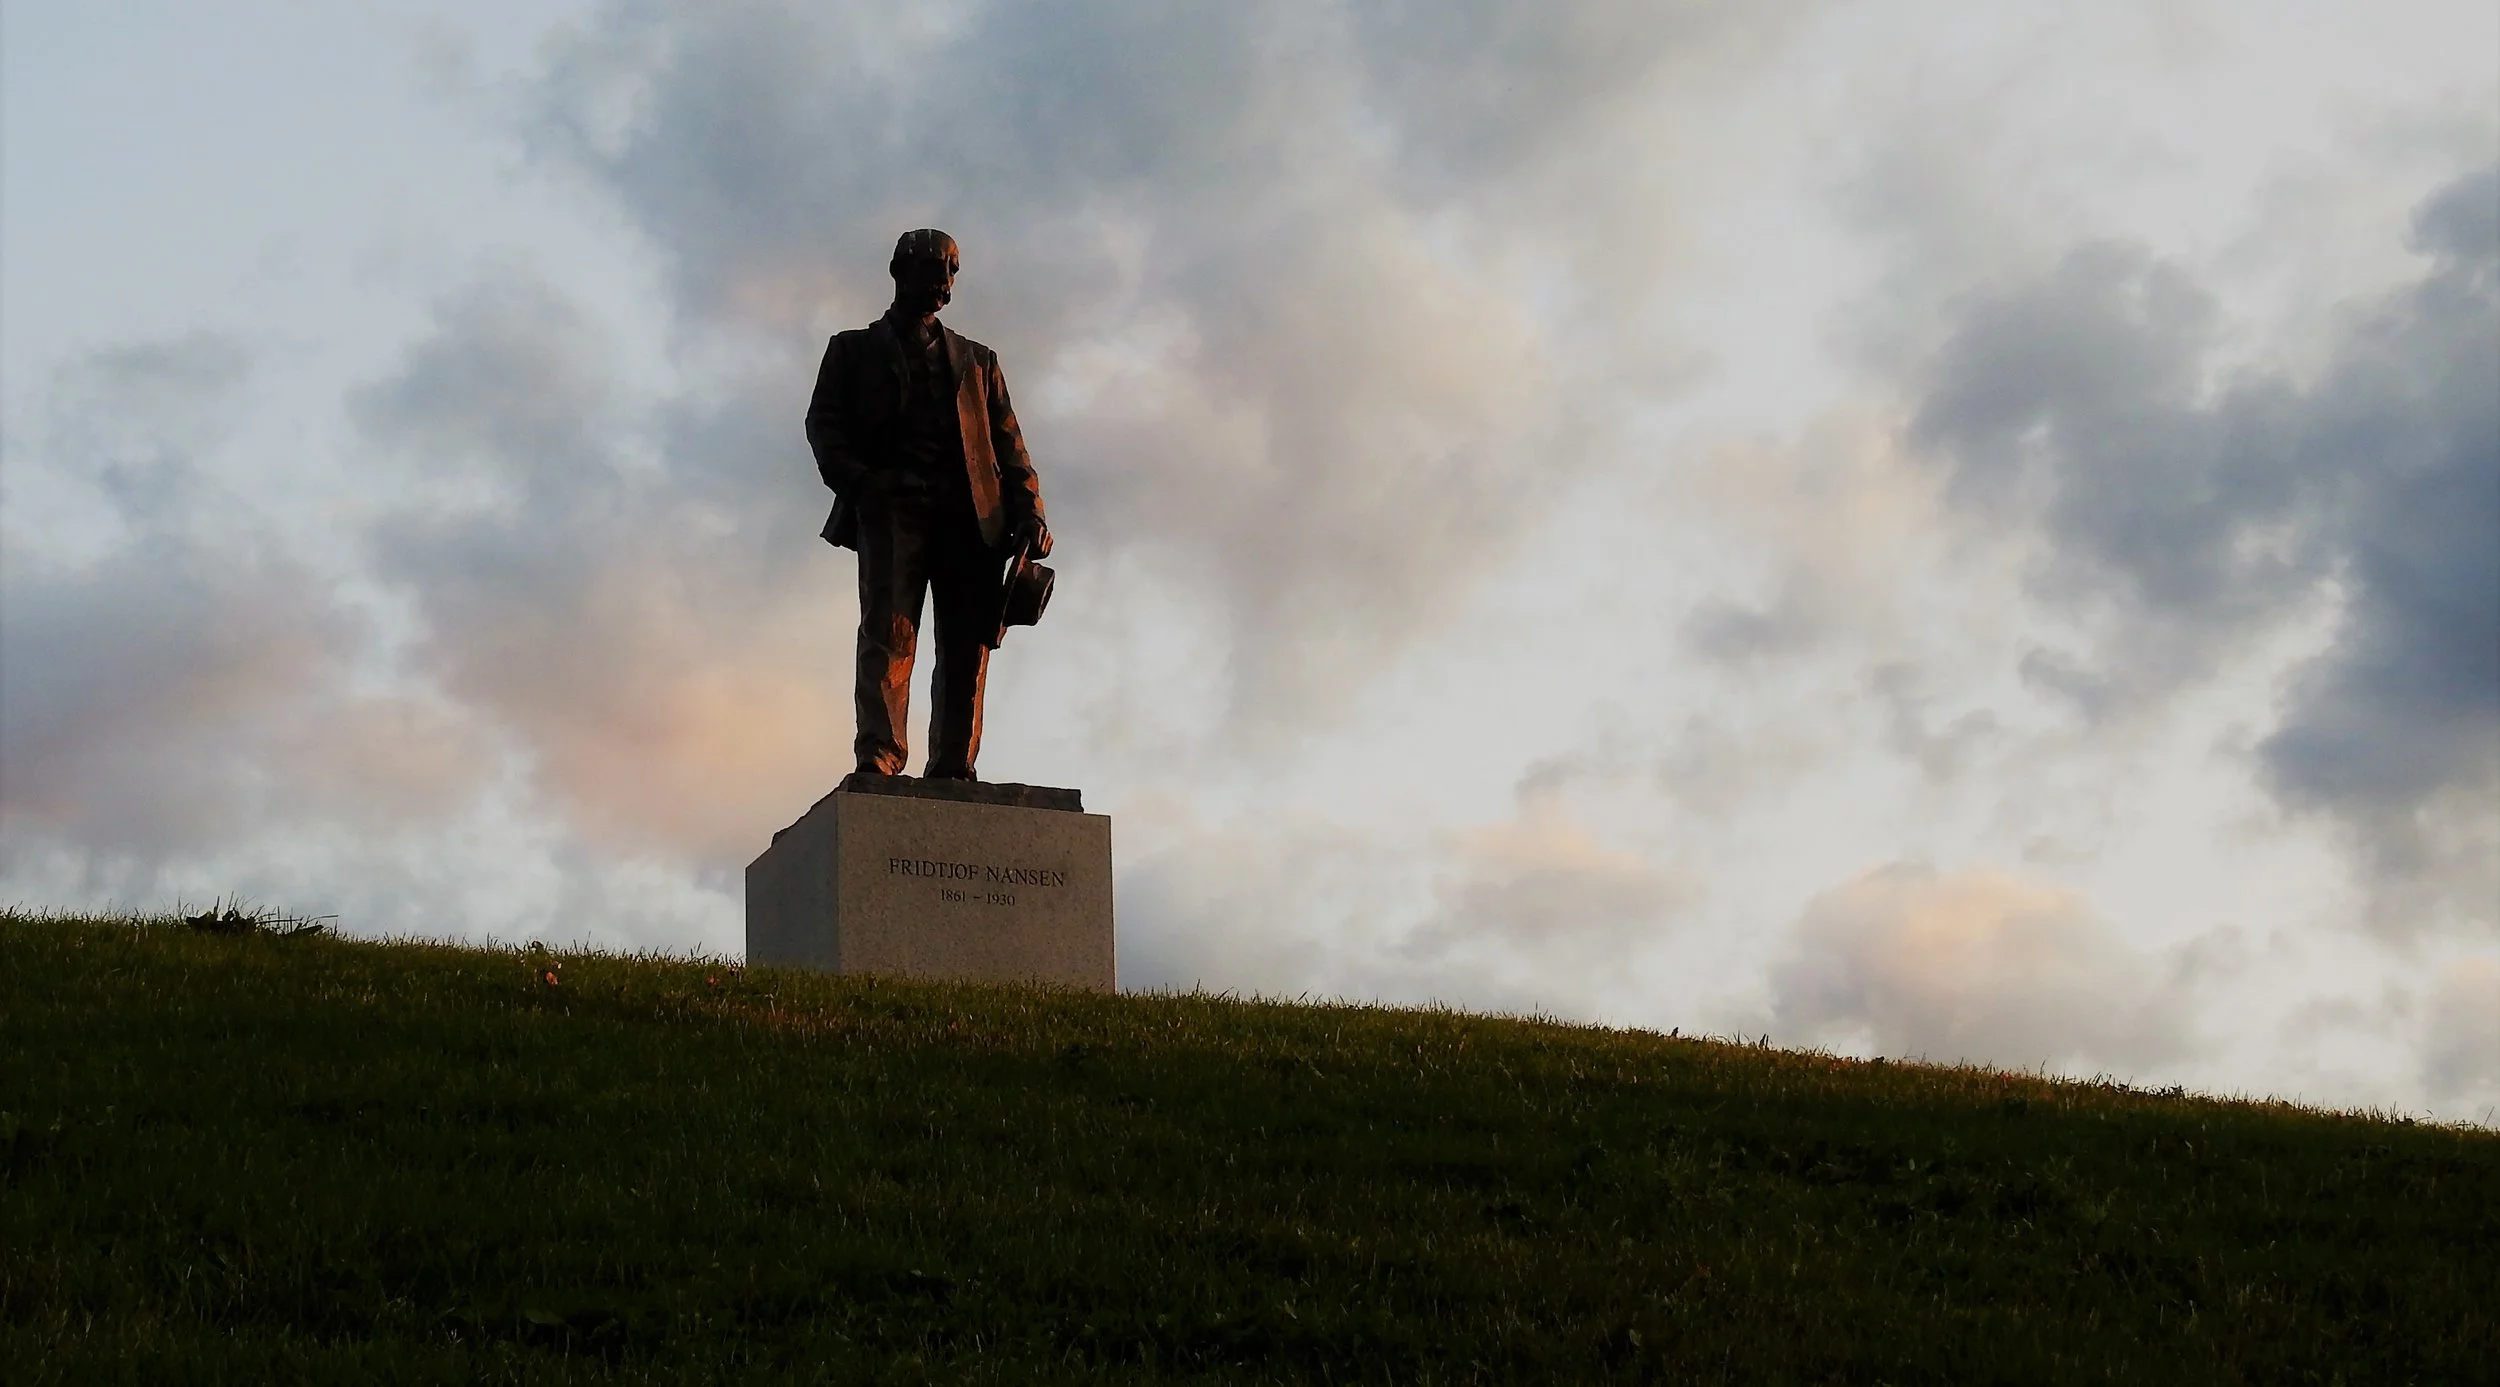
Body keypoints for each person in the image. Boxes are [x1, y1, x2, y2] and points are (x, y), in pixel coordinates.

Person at [805, 229, 1051, 780]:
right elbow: (823, 426)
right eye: (933, 268)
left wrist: (1031, 511)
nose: (943, 282)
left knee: (968, 647)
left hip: (973, 521)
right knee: (888, 637)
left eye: (952, 271)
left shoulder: (979, 361)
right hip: (893, 512)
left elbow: (1010, 444)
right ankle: (881, 755)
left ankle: (954, 767)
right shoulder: (852, 350)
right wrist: (865, 482)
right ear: (898, 270)